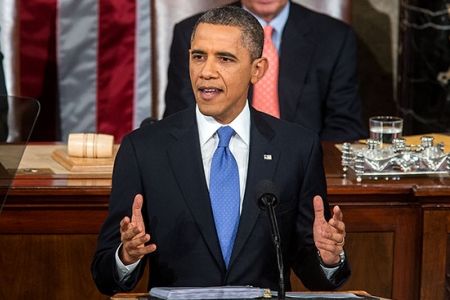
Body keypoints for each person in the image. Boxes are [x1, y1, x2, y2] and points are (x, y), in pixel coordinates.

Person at [92, 6, 350, 296]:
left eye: (225, 59)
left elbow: (314, 274)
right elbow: (105, 276)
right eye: (198, 56)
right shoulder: (144, 149)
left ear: (257, 70)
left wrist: (328, 258)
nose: (207, 72)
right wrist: (126, 256)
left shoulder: (296, 148)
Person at [164, 0, 366, 142]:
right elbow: (181, 117)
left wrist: (305, 165)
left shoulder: (334, 36)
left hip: (303, 168)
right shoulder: (193, 32)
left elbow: (345, 126)